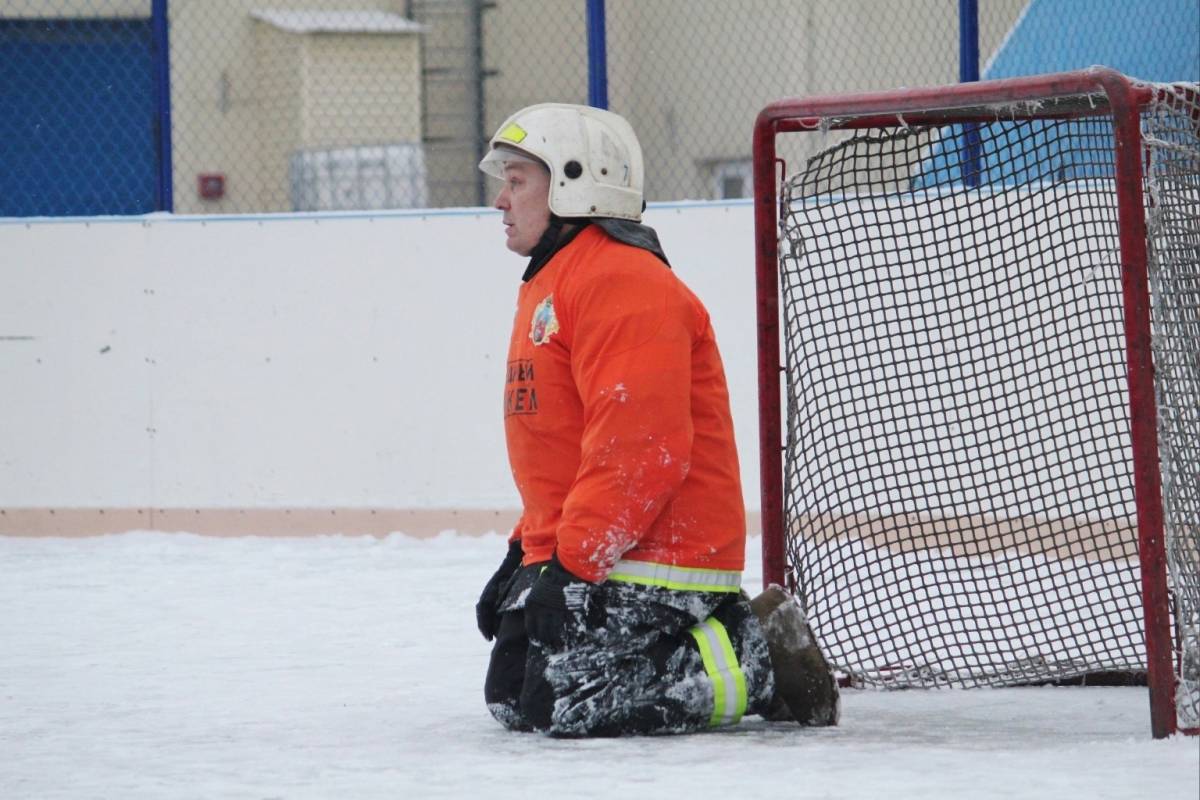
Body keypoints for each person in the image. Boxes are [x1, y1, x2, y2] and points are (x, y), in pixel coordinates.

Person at [473, 102, 839, 736]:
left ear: (573, 180)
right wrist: (526, 551)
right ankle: (721, 646)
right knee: (512, 696)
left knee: (565, 702)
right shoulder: (556, 279)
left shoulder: (622, 281)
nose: (501, 200)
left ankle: (758, 656)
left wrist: (572, 568)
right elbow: (564, 448)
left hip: (664, 551)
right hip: (606, 543)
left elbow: (640, 451)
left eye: (516, 181)